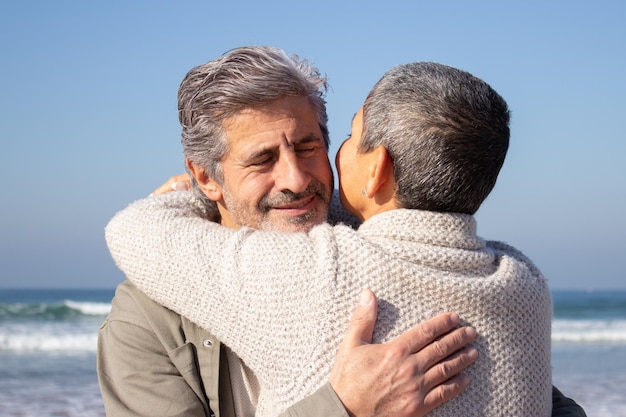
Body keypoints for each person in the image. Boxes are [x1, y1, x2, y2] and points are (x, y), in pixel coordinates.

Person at [106, 60, 587, 416]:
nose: (295, 179)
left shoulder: (337, 259)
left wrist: (184, 200)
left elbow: (132, 230)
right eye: (262, 159)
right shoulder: (145, 320)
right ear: (206, 176)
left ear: (373, 168)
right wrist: (341, 407)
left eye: (311, 146)